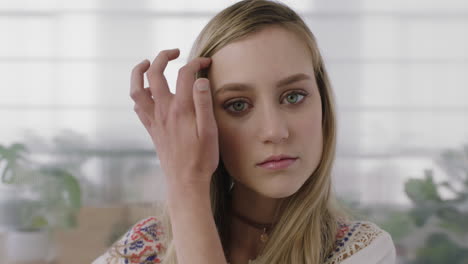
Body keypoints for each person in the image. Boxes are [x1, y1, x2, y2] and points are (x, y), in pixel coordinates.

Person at [92, 0, 397, 263]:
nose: (275, 131)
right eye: (238, 105)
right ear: (203, 122)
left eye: (293, 96)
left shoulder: (361, 250)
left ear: (323, 105)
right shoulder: (147, 246)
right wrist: (186, 179)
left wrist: (186, 184)